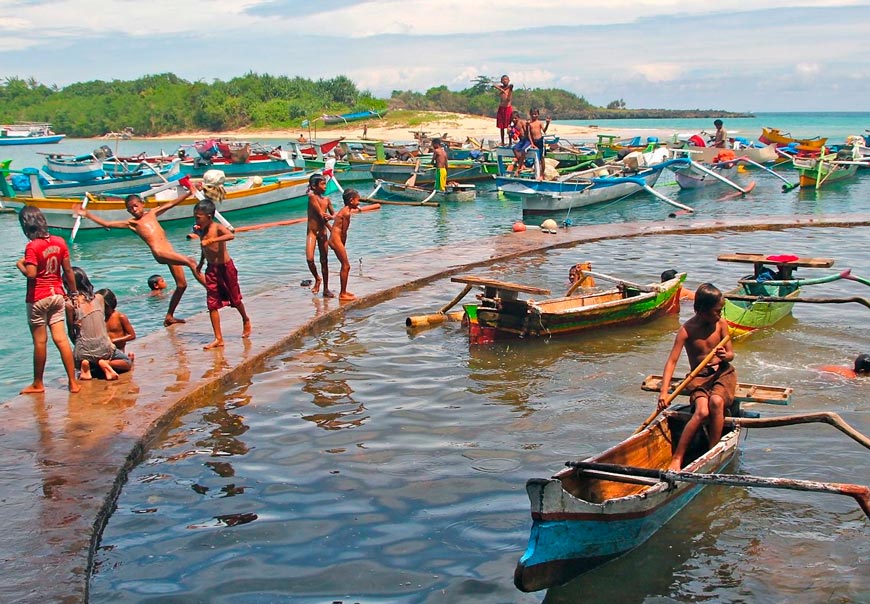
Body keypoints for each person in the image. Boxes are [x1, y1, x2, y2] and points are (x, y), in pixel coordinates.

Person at [75, 184, 205, 326]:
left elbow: (171, 204)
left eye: (136, 206)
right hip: (160, 253)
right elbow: (107, 223)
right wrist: (87, 214)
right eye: (130, 209)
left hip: (170, 251)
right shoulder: (132, 223)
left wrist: (190, 193)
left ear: (142, 204)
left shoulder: (152, 213)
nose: (134, 210)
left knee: (182, 285)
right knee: (191, 261)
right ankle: (215, 293)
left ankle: (169, 316)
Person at [657, 283, 736, 470]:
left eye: (721, 310)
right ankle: (677, 458)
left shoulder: (721, 325)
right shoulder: (687, 330)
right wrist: (663, 393)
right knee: (702, 411)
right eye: (717, 311)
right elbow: (672, 362)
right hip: (698, 377)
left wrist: (725, 356)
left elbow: (731, 354)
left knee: (716, 402)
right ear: (701, 310)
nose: (720, 315)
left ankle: (712, 451)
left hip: (722, 374)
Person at [16, 206, 80, 394]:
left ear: (26, 226)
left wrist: (21, 264)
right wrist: (74, 293)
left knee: (40, 342)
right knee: (61, 340)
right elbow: (68, 271)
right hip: (58, 295)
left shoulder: (32, 246)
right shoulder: (59, 242)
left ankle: (38, 383)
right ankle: (73, 382)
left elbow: (32, 274)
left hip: (38, 297)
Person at [194, 198, 252, 349]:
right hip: (211, 268)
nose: (196, 220)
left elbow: (230, 235)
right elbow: (204, 248)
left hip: (226, 268)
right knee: (212, 303)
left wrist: (212, 240)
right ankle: (218, 338)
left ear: (208, 217)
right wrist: (201, 262)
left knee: (235, 299)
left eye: (198, 217)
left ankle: (245, 319)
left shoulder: (217, 228)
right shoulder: (200, 230)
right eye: (195, 217)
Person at [66, 267, 133, 380]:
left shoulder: (69, 304)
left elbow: (71, 332)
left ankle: (86, 366)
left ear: (67, 284)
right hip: (103, 349)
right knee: (127, 361)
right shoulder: (99, 298)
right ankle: (105, 363)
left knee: (81, 361)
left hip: (82, 351)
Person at [305, 173, 336, 297]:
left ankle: (326, 289)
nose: (324, 186)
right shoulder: (312, 197)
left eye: (325, 184)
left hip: (322, 233)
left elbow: (334, 215)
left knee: (324, 261)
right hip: (312, 232)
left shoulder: (327, 200)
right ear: (314, 186)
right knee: (310, 259)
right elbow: (320, 215)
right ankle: (317, 278)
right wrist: (331, 229)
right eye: (322, 184)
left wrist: (332, 217)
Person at [329, 188, 360, 301]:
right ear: (351, 200)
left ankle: (344, 291)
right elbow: (343, 231)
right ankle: (342, 293)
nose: (359, 203)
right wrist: (342, 244)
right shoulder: (346, 213)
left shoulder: (344, 210)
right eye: (357, 200)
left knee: (345, 265)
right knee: (346, 266)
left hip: (333, 239)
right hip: (336, 240)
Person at [97, 288, 136, 352]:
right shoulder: (100, 319)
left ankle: (129, 359)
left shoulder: (120, 317)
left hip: (118, 350)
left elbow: (132, 335)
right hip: (105, 350)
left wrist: (113, 340)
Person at [526, 108, 551, 179]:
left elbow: (544, 130)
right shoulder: (529, 124)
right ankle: (536, 173)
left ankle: (542, 174)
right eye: (532, 114)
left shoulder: (540, 123)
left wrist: (547, 124)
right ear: (530, 114)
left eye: (535, 114)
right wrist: (532, 143)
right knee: (535, 158)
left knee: (541, 158)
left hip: (540, 141)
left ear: (538, 114)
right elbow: (529, 134)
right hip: (534, 142)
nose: (534, 115)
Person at [492, 74, 514, 145]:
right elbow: (494, 85)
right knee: (501, 127)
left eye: (506, 79)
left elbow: (509, 98)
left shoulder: (510, 87)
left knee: (509, 126)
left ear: (509, 80)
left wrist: (508, 88)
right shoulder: (501, 87)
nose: (505, 81)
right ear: (501, 81)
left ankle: (510, 141)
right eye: (503, 80)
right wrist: (502, 90)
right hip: (501, 108)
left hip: (508, 108)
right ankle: (503, 141)